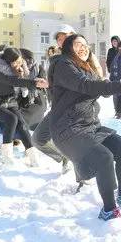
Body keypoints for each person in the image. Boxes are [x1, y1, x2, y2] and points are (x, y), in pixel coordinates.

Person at [49, 34, 121, 220]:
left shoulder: (87, 67)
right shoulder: (63, 65)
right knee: (104, 157)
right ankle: (109, 209)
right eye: (77, 45)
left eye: (85, 45)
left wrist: (117, 85)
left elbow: (100, 88)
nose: (83, 48)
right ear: (68, 48)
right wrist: (114, 86)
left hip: (89, 125)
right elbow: (85, 85)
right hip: (67, 130)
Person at [0, 47, 48, 165]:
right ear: (7, 62)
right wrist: (34, 83)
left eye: (20, 60)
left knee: (22, 124)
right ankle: (6, 155)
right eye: (15, 62)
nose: (18, 63)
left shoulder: (20, 67)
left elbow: (22, 81)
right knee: (12, 119)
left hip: (9, 101)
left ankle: (32, 156)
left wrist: (37, 81)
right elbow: (13, 82)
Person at [31, 26, 78, 175]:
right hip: (58, 107)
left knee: (75, 142)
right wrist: (48, 84)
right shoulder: (57, 59)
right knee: (38, 138)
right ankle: (64, 158)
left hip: (77, 109)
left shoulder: (82, 55)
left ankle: (84, 179)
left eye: (64, 37)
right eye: (58, 38)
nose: (61, 40)